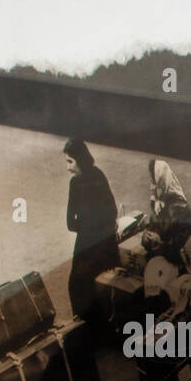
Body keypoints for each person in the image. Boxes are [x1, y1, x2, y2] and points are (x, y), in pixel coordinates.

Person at [62, 138, 119, 322]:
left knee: (76, 285)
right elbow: (113, 212)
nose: (68, 168)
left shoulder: (75, 184)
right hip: (108, 246)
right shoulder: (99, 175)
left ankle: (85, 327)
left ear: (79, 159)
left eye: (70, 161)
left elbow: (70, 224)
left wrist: (86, 228)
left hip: (87, 245)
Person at [146, 158, 191, 262]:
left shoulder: (178, 206)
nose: (151, 187)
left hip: (178, 259)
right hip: (163, 255)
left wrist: (159, 242)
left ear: (161, 182)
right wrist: (148, 236)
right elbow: (153, 227)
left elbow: (184, 241)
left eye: (154, 182)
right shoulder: (157, 202)